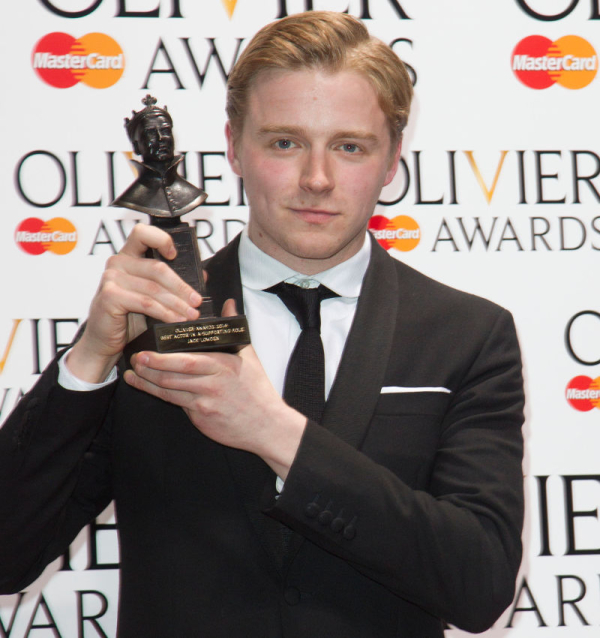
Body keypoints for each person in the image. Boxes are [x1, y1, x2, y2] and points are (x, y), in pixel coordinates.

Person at [0, 11, 525, 638]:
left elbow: (481, 587)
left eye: (350, 146)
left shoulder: (467, 334)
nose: (317, 179)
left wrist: (274, 431)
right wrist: (89, 356)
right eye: (285, 142)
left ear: (391, 162)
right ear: (233, 148)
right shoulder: (154, 318)